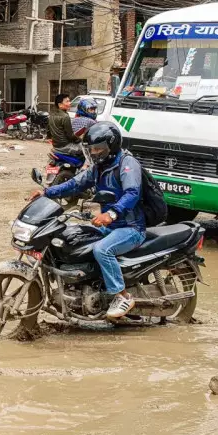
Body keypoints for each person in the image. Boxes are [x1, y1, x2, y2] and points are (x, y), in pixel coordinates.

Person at [30, 122, 145, 321]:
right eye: (92, 149)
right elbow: (76, 184)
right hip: (108, 227)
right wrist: (47, 192)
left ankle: (122, 296)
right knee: (70, 237)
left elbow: (132, 193)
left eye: (99, 148)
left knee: (102, 250)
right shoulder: (100, 167)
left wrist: (112, 214)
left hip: (130, 227)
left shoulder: (127, 164)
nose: (95, 152)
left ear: (112, 146)